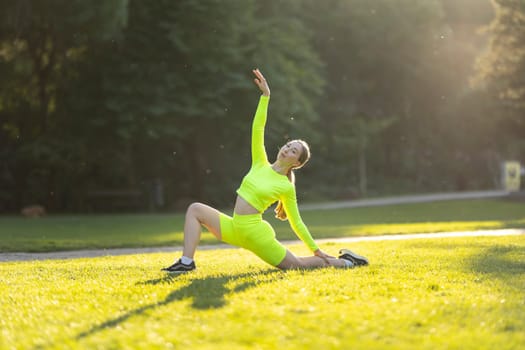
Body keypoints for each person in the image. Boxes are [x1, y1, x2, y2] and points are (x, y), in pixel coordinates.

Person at [162, 69, 368, 273]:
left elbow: (296, 222)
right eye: (288, 145)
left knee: (298, 265)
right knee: (195, 209)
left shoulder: (286, 187)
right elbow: (257, 128)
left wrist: (315, 249)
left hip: (255, 234)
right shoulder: (260, 162)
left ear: (297, 163)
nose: (287, 149)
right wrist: (265, 96)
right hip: (235, 228)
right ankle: (186, 262)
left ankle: (348, 262)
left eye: (293, 150)